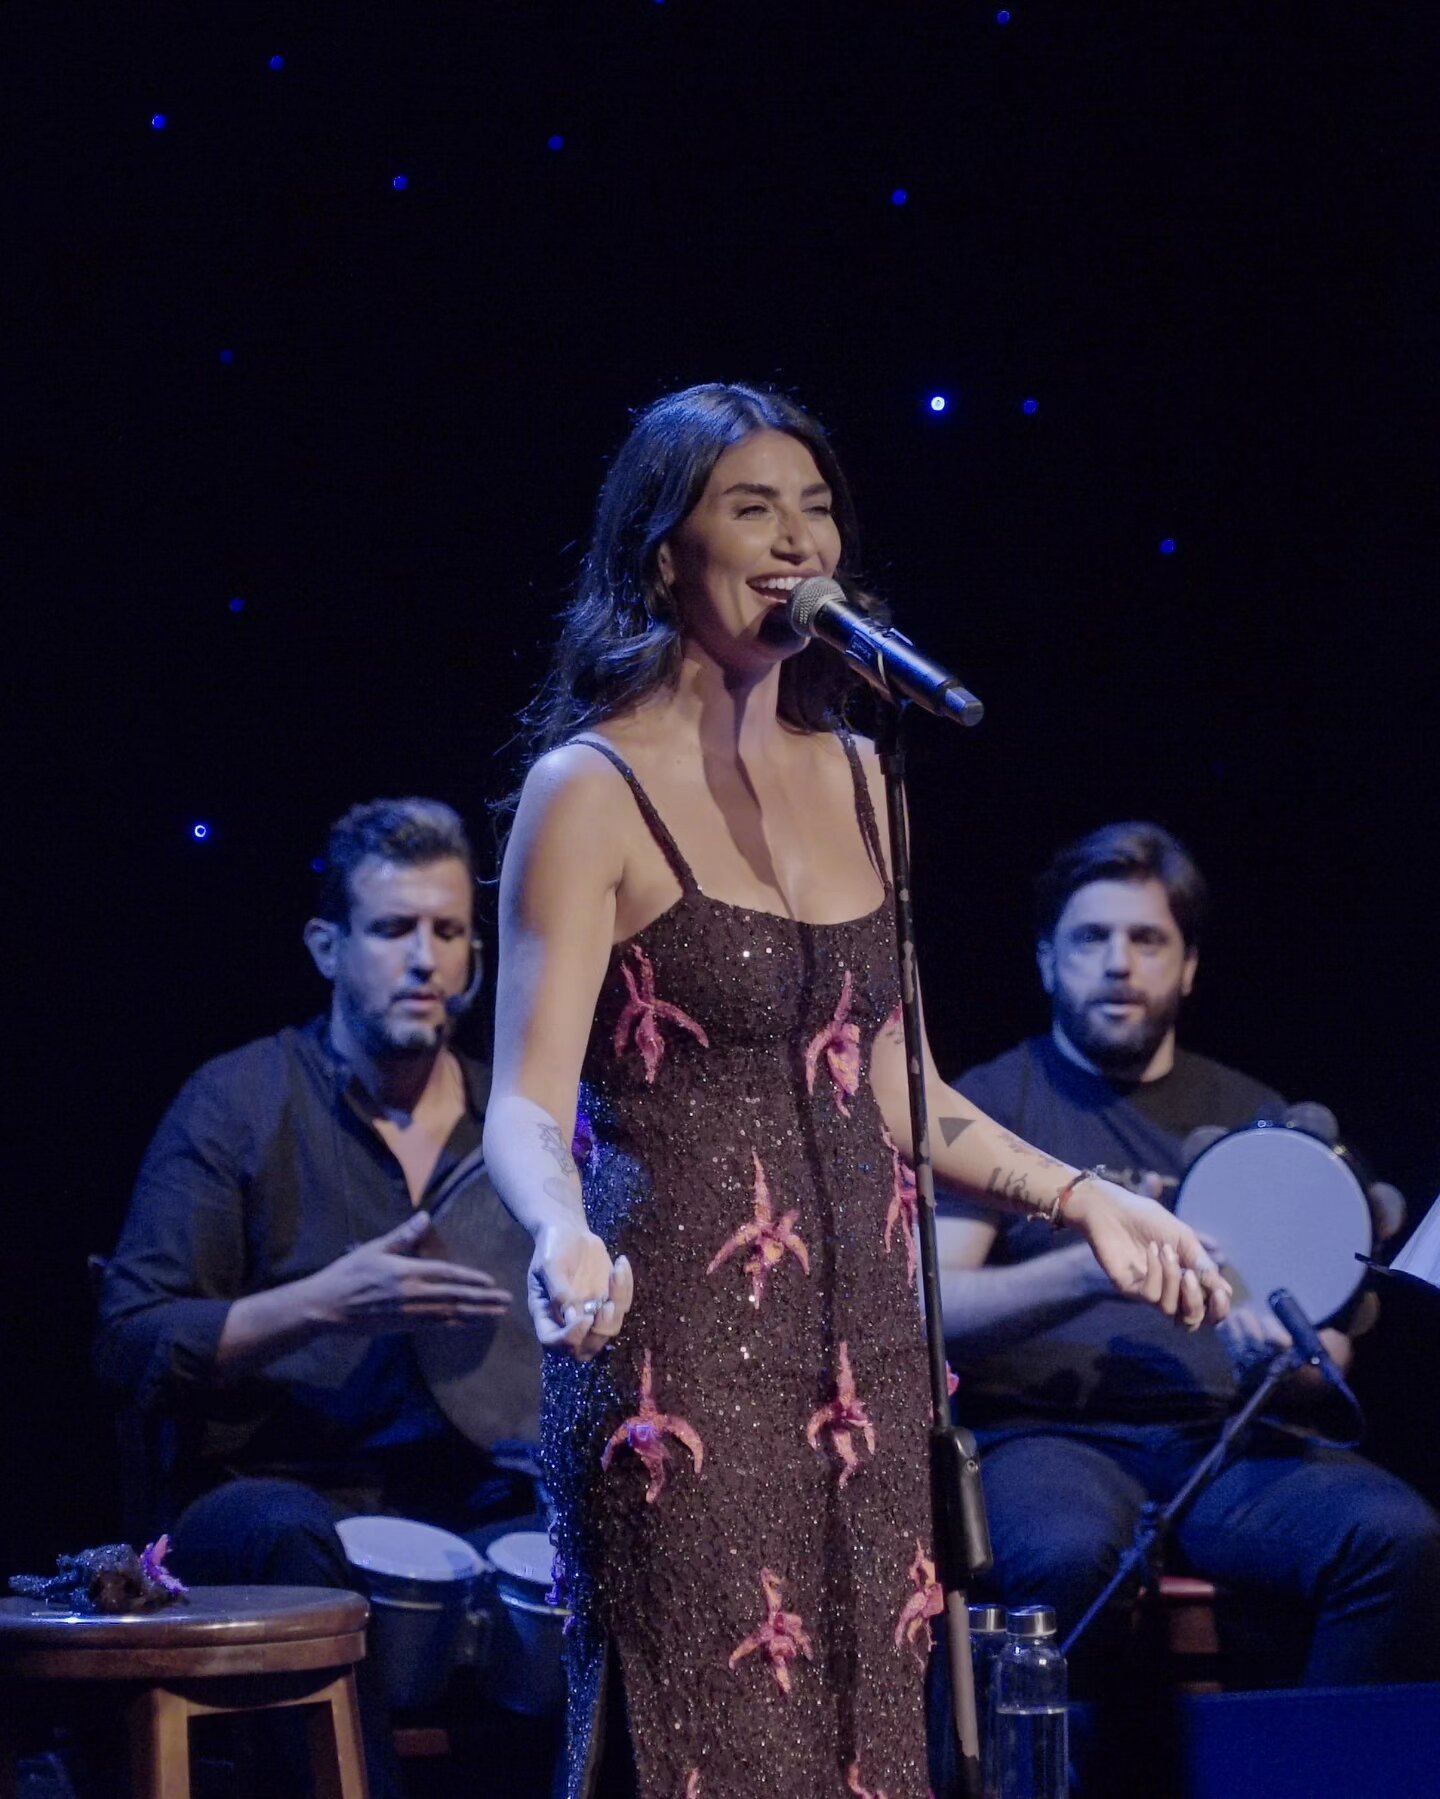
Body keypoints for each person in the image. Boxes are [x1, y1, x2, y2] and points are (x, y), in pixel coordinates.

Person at [481, 385, 1231, 1799]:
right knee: (712, 1751)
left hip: (864, 1363)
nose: (795, 539)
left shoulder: (869, 778)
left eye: (815, 509)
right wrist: (556, 1225)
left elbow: (897, 1083)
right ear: (664, 551)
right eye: (751, 507)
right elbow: (523, 1099)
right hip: (676, 1353)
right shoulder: (586, 788)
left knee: (868, 1750)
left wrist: (1086, 1198)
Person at [95, 797, 541, 1798]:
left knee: (604, 1536)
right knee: (291, 1532)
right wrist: (328, 1300)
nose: (424, 959)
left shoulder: (516, 1129)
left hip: (467, 1501)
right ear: (327, 945)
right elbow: (129, 1339)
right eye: (392, 928)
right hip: (262, 1494)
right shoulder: (237, 1101)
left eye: (448, 930)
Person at [936, 821, 1440, 1690]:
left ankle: (1305, 1763)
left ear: (1189, 965)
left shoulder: (1256, 1116)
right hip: (1046, 1437)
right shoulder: (991, 1107)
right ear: (1047, 960)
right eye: (1091, 938)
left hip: (1223, 1440)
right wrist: (1088, 1266)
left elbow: (1330, 1348)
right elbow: (937, 1308)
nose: (1119, 963)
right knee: (1063, 1553)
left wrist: (1284, 1364)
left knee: (1399, 1541)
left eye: (1147, 939)